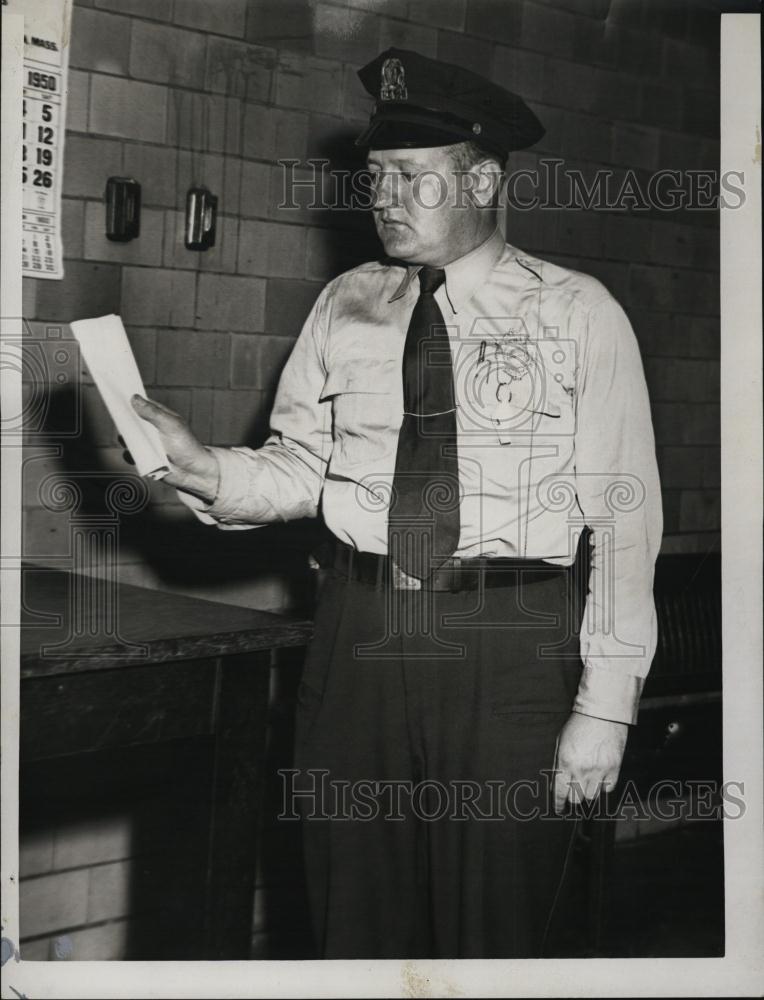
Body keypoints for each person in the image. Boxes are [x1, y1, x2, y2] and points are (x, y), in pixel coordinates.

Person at [132, 48, 662, 959]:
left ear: (482, 180)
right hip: (357, 637)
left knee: (498, 931)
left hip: (511, 644)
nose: (381, 197)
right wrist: (209, 471)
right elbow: (303, 465)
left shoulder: (578, 313)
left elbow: (624, 521)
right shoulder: (348, 302)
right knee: (354, 919)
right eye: (375, 178)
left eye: (410, 178)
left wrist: (605, 706)